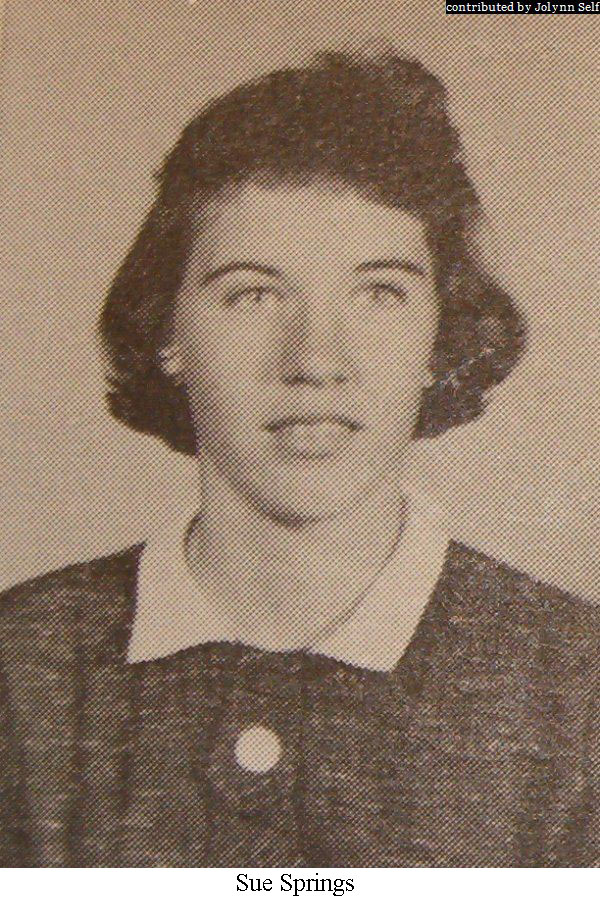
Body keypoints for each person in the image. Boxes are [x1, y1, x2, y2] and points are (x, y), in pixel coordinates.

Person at [2, 49, 600, 869]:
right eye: (254, 294)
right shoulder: (22, 668)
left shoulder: (578, 687)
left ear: (439, 338)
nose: (316, 360)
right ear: (168, 333)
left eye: (379, 292)